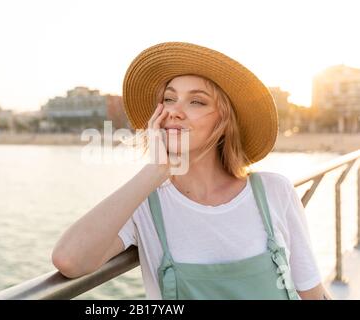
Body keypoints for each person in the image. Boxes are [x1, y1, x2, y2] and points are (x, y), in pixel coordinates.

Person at [51, 41, 331, 300]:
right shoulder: (145, 204)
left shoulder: (274, 190)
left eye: (196, 101)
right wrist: (155, 171)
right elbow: (70, 260)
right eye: (169, 99)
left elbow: (311, 294)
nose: (174, 111)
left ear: (224, 121)